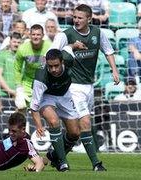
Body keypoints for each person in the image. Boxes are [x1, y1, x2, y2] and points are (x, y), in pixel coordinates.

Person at [50, 4, 120, 171]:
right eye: (74, 17)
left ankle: (55, 156)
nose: (76, 20)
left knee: (74, 133)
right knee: (86, 122)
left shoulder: (97, 33)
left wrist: (115, 71)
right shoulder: (65, 35)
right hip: (72, 87)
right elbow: (52, 55)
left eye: (80, 18)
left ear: (89, 19)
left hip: (89, 86)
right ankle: (96, 164)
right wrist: (70, 49)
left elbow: (108, 51)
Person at [31, 49, 80, 172]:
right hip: (47, 97)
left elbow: (69, 45)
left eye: (56, 66)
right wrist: (39, 125)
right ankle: (63, 163)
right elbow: (34, 106)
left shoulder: (69, 59)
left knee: (74, 133)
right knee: (53, 121)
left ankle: (53, 156)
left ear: (62, 62)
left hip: (65, 95)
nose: (53, 69)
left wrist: (75, 45)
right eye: (50, 66)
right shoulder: (40, 76)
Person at [14, 24, 51, 111]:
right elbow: (17, 69)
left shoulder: (50, 47)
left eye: (38, 35)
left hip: (45, 82)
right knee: (20, 106)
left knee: (45, 110)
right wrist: (18, 87)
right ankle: (20, 124)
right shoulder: (22, 49)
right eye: (33, 34)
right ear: (29, 35)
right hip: (28, 83)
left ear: (43, 36)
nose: (35, 37)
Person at [0, 32, 22, 97]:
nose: (16, 44)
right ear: (10, 42)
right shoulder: (2, 54)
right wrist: (9, 90)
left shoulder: (23, 56)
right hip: (4, 94)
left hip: (20, 94)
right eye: (14, 42)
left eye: (18, 42)